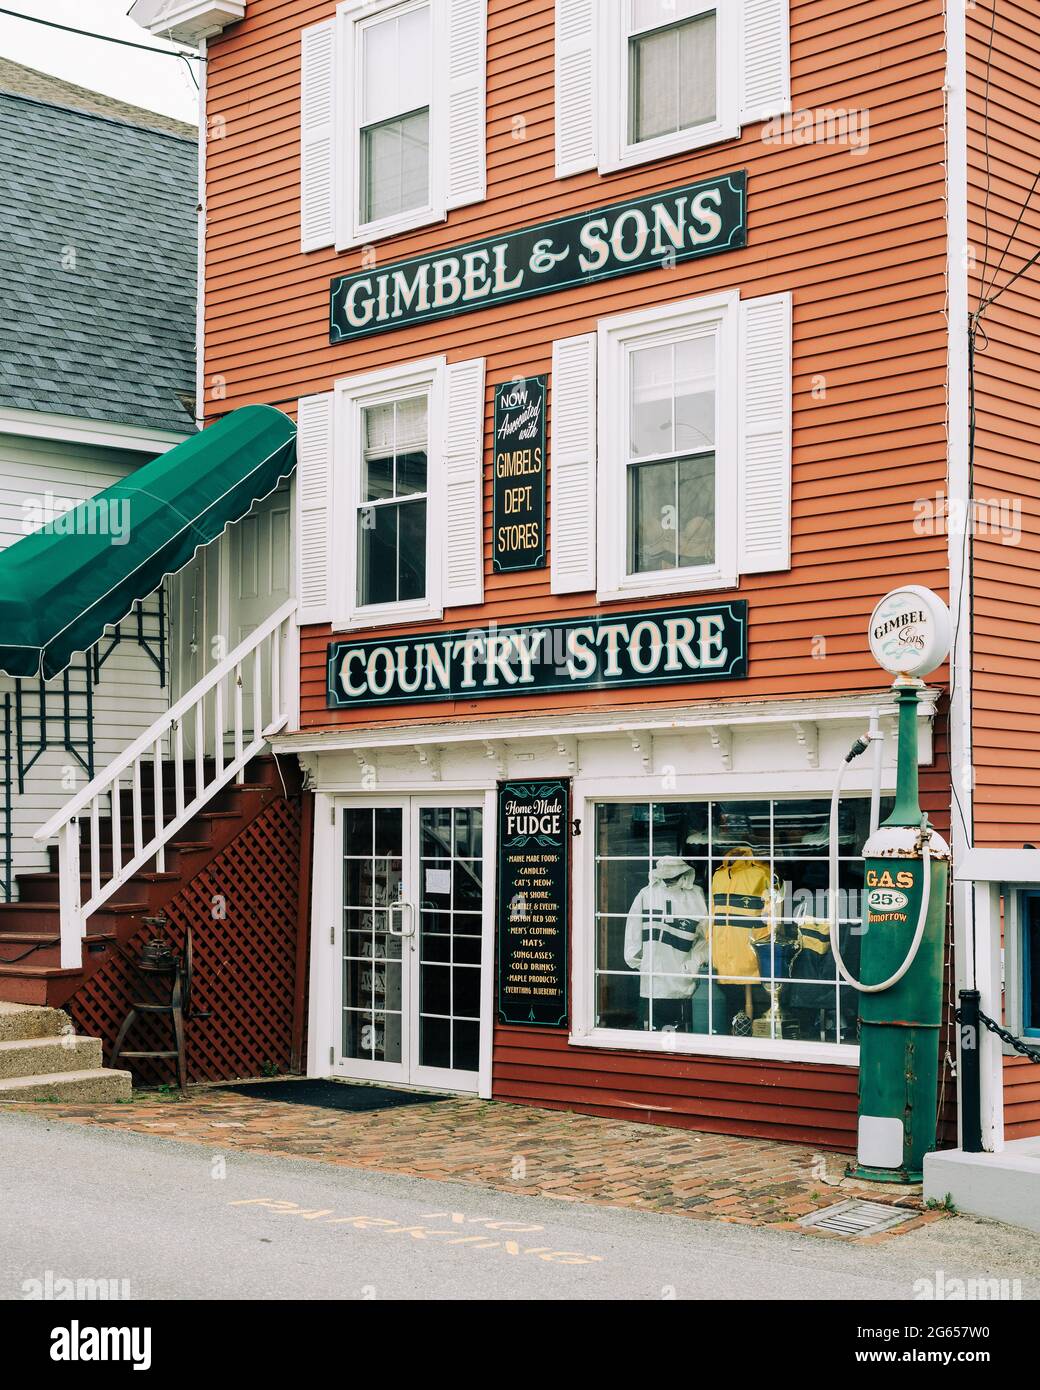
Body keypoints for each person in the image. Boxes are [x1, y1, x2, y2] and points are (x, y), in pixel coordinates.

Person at [624, 857, 708, 1032]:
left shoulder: (696, 896)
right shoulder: (646, 894)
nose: (669, 879)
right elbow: (632, 935)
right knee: (651, 1036)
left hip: (684, 983)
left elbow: (706, 938)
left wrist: (692, 965)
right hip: (652, 984)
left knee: (682, 1035)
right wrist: (645, 965)